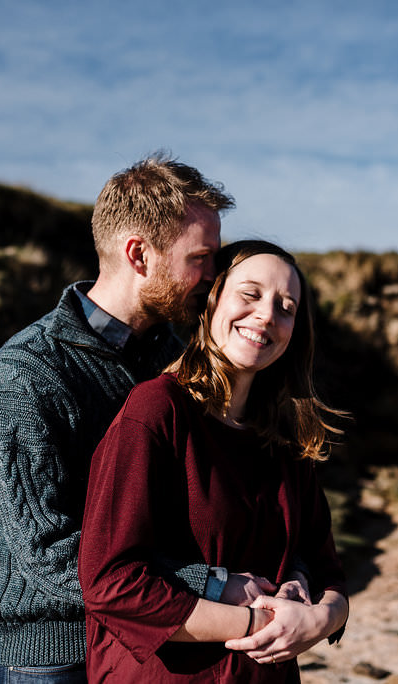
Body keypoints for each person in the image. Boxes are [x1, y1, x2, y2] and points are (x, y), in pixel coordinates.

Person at [0, 153, 239, 683]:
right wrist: (209, 584)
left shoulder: (177, 362)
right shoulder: (30, 371)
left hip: (154, 647)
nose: (213, 278)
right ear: (139, 254)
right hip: (51, 658)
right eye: (200, 258)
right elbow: (46, 551)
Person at [79, 240, 350, 682]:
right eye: (250, 294)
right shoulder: (156, 410)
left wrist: (321, 620)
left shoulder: (284, 438)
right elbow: (111, 583)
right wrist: (258, 623)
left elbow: (328, 572)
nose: (267, 315)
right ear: (211, 301)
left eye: (286, 307)